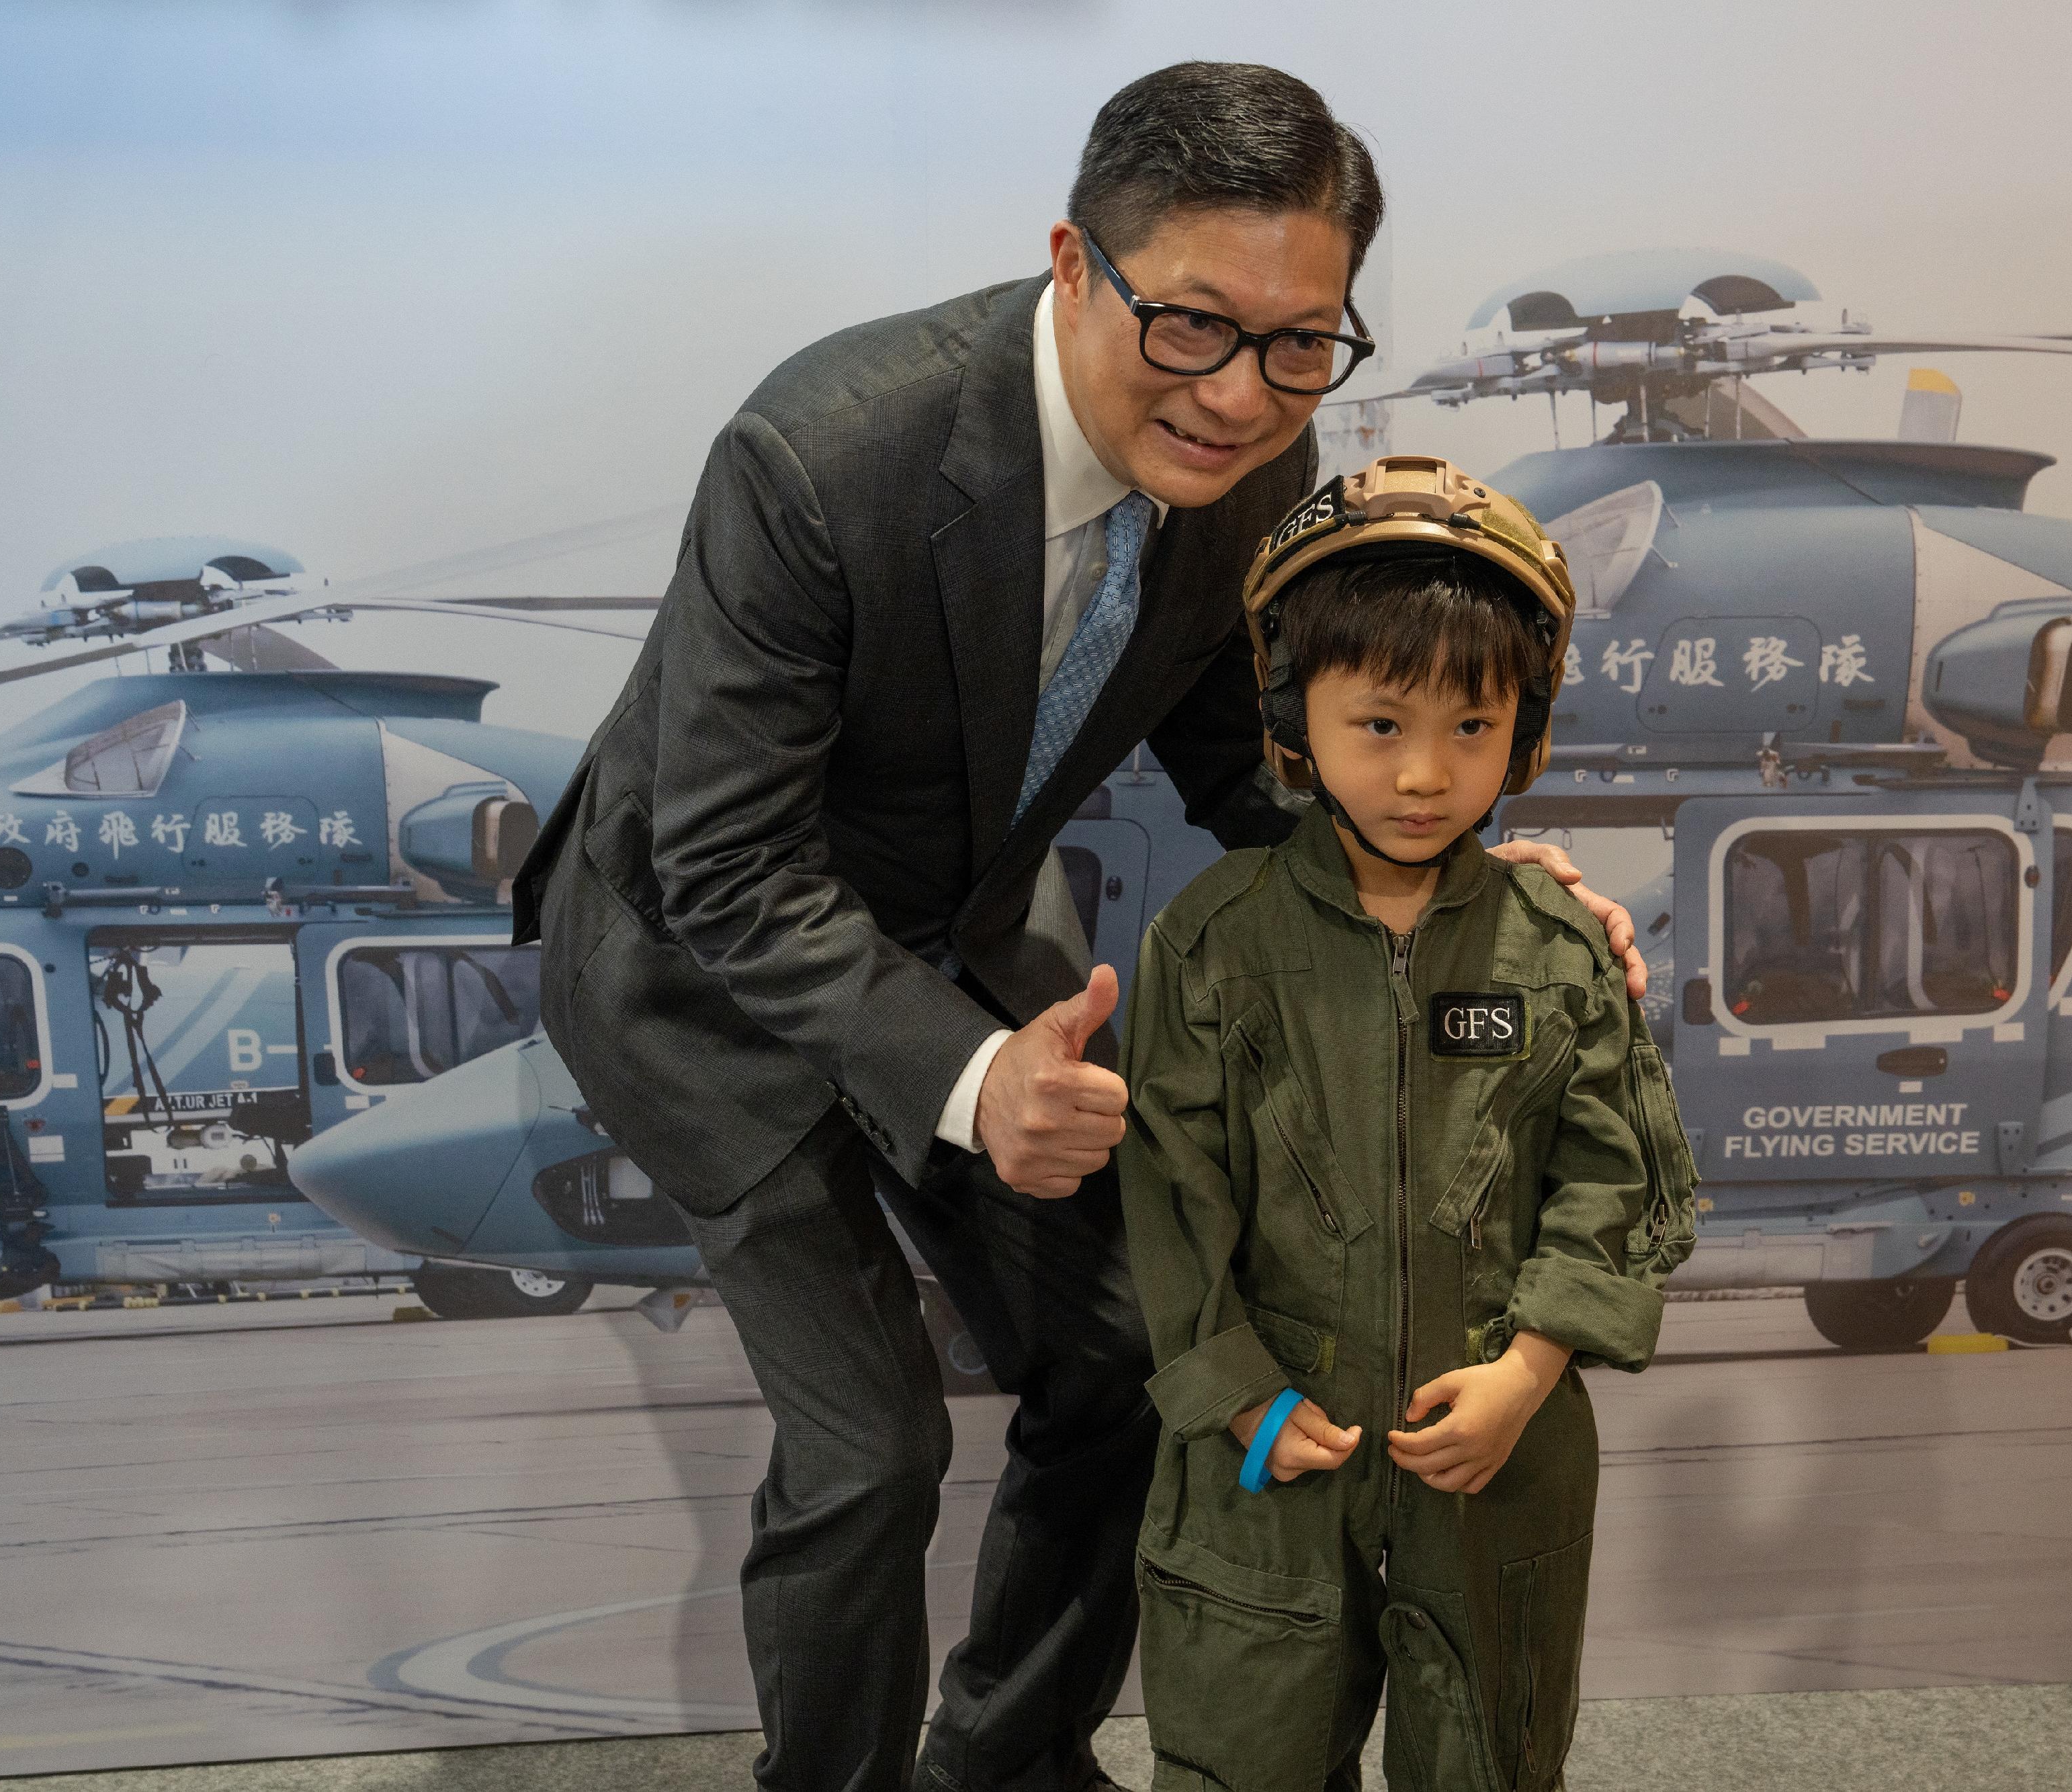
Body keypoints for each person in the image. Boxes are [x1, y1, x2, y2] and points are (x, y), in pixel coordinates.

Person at [512, 65, 1643, 1792]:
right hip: (694, 963)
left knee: (1128, 1353)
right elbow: (726, 859)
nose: (1241, 394)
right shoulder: (819, 453)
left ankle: (1007, 1753)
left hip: (958, 929)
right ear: (1071, 261)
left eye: (1300, 343)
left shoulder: (1256, 476)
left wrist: (1468, 883)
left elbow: (1242, 766)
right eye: (1190, 324)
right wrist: (970, 1076)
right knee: (873, 1451)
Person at [1117, 456, 1698, 1791]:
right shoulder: (1211, 943)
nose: (1425, 775)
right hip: (1272, 1444)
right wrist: (1235, 1389)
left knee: (1490, 1752)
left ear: (1526, 734)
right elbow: (1168, 1191)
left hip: (1494, 1436)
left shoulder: (1554, 946)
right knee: (1241, 1747)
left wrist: (1529, 1370)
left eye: (1471, 728)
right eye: (1378, 724)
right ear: (1289, 715)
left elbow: (1615, 1180)